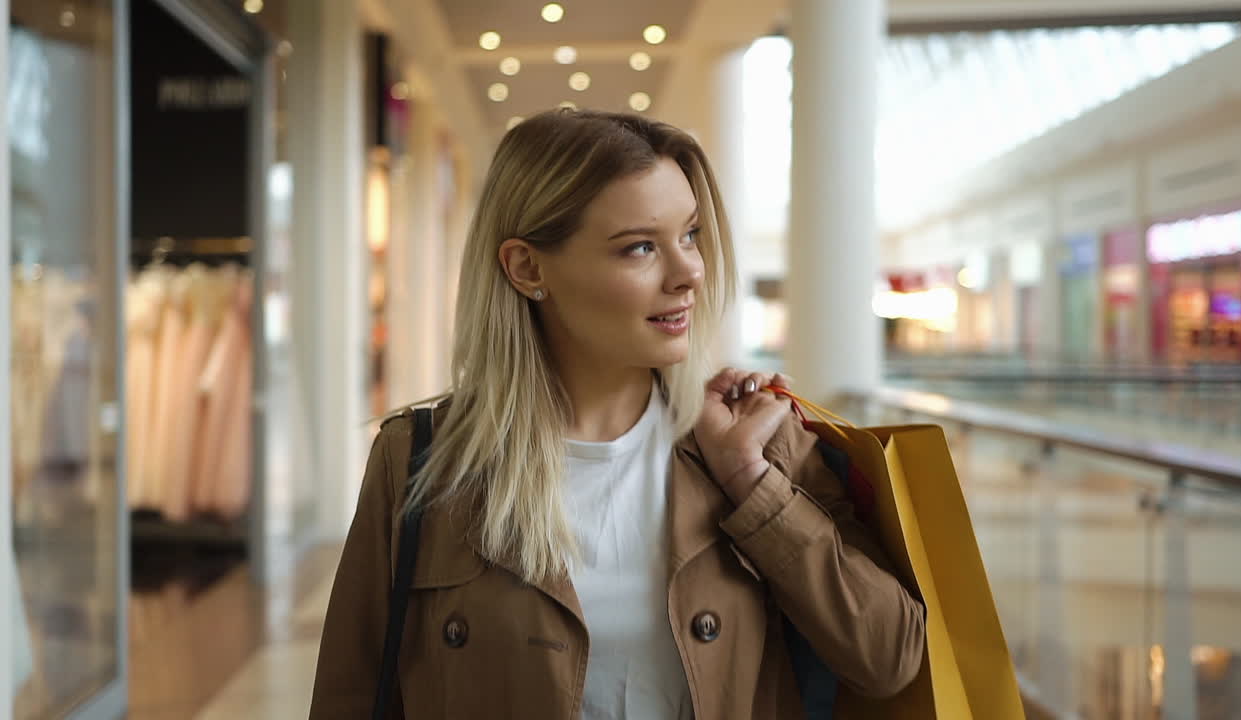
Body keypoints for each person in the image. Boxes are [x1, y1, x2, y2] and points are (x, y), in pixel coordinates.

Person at [310, 109, 925, 719]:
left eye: (690, 235)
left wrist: (752, 485)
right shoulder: (421, 460)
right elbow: (351, 693)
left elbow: (889, 656)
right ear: (527, 268)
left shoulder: (759, 442)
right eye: (639, 247)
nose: (688, 273)